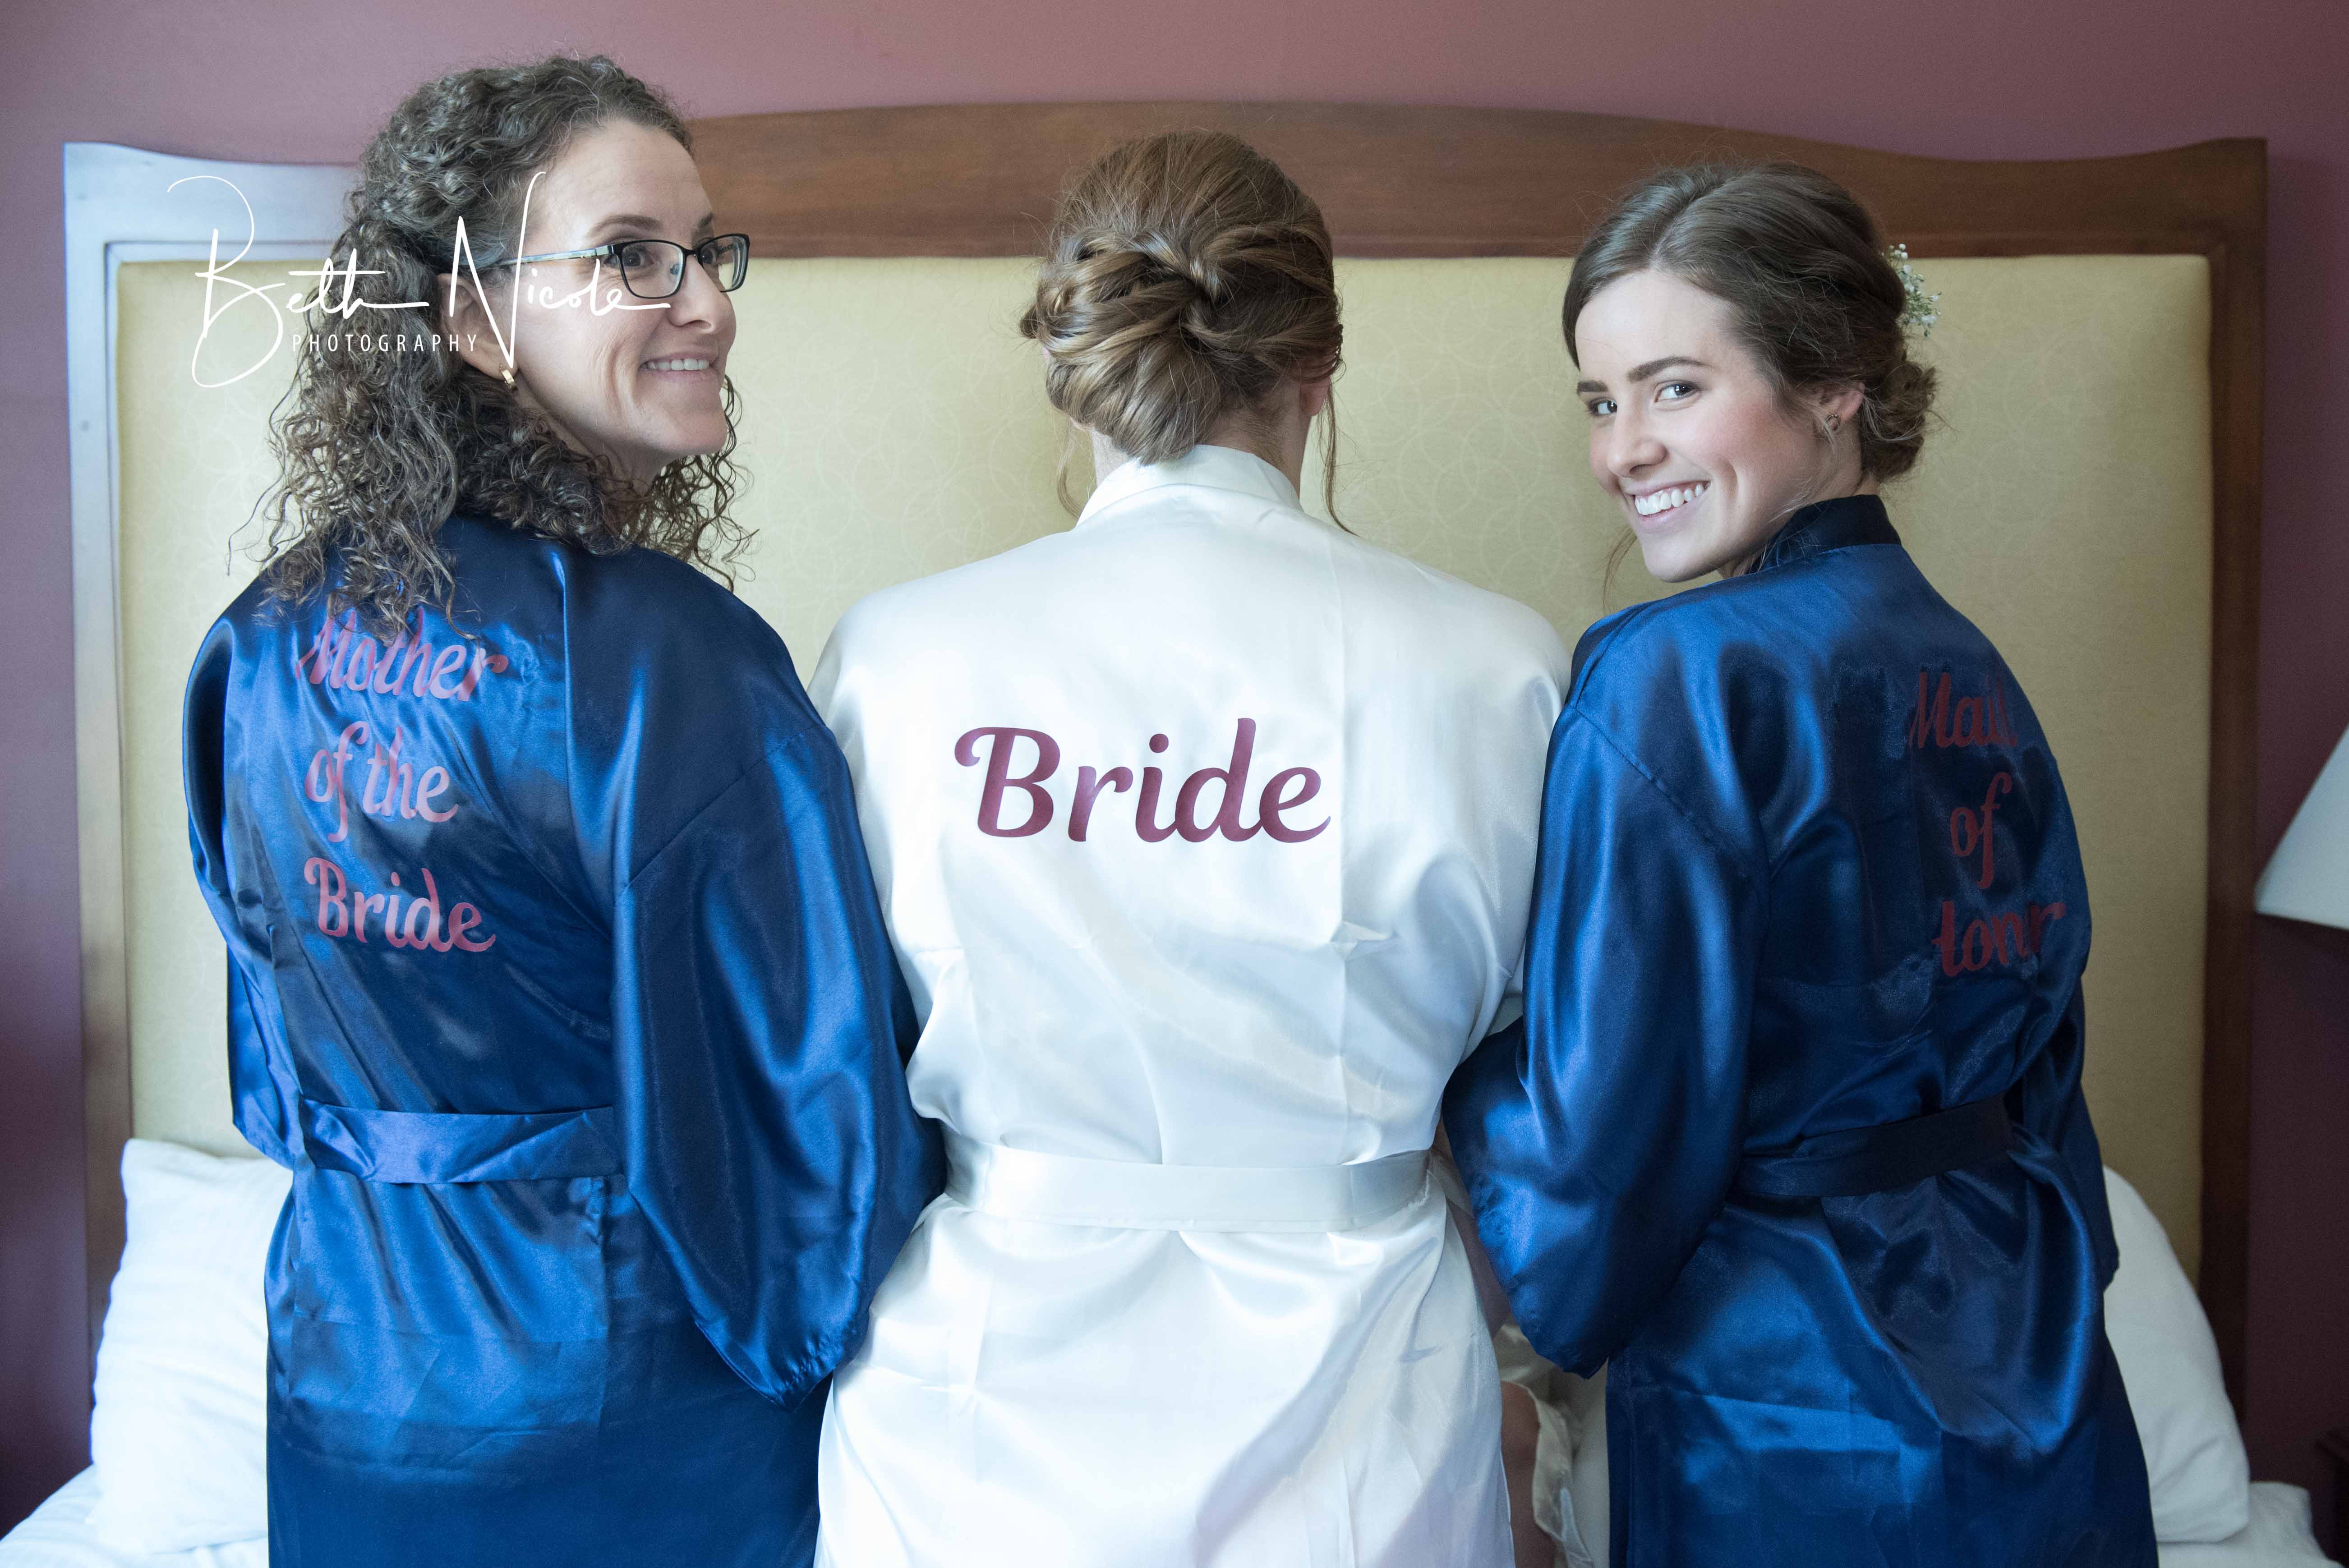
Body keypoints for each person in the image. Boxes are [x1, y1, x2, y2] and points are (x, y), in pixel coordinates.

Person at [180, 55, 938, 1568]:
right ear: (471, 317)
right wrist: (833, 1341)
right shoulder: (665, 662)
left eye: (706, 252)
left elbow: (274, 1062)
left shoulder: (256, 638)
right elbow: (824, 1097)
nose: (707, 304)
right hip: (622, 1383)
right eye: (631, 257)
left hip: (349, 1368)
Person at [809, 130, 1570, 1567]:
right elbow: (1551, 1074)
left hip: (978, 1416)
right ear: (1318, 367)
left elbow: (826, 1054)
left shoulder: (895, 657)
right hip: (1362, 1404)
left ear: (1073, 365)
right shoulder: (1500, 668)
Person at [1444, 162, 2159, 1567]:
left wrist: (1445, 1075)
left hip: (1792, 1393)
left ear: (1833, 382)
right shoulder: (1968, 659)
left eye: (1674, 388)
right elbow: (2049, 1055)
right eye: (1599, 403)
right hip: (2036, 1350)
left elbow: (1608, 1128)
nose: (1624, 451)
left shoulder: (1675, 675)